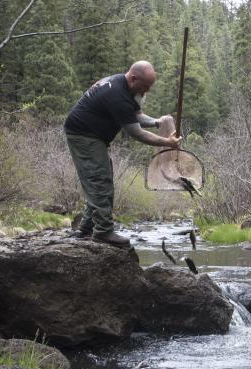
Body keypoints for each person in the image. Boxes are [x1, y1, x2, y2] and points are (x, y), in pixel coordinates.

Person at [64, 61, 181, 248]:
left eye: (149, 87)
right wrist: (167, 142)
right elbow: (137, 133)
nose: (146, 92)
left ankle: (86, 228)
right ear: (134, 78)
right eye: (145, 87)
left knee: (102, 179)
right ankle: (102, 232)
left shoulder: (126, 87)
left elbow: (137, 117)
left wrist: (158, 122)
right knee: (99, 181)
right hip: (83, 135)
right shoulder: (117, 96)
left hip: (93, 136)